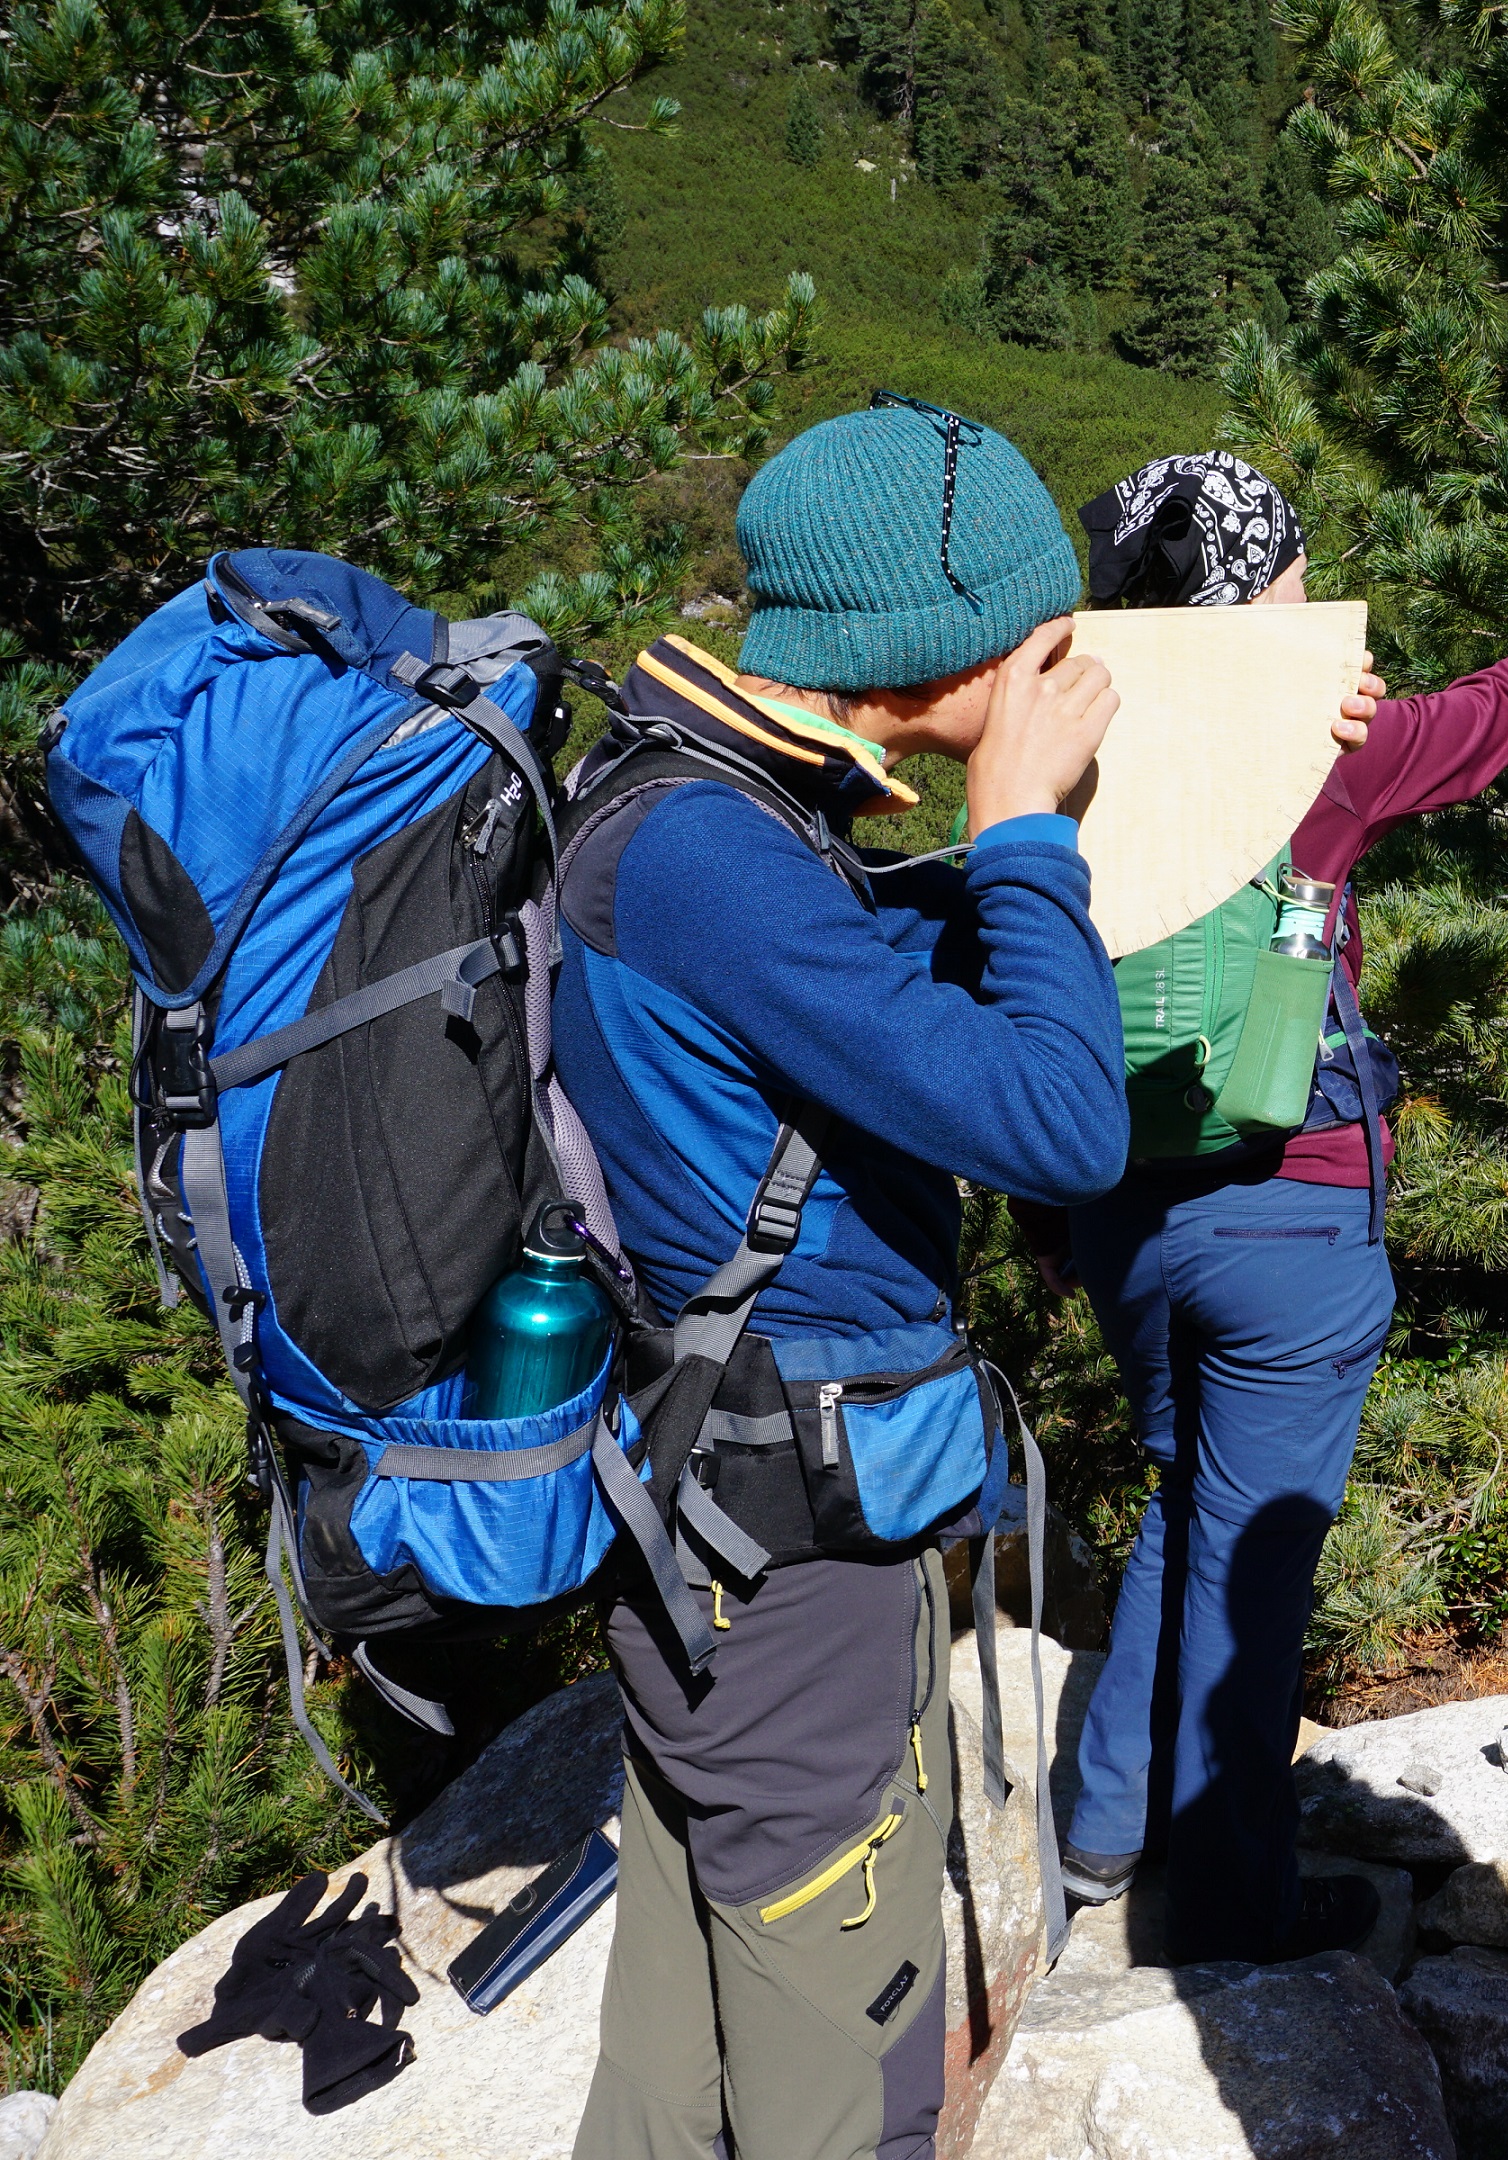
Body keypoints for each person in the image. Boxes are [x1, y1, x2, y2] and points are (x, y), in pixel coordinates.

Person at [1026, 449, 1508, 1963]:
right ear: (1256, 588)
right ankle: (1226, 1916)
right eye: (1293, 570)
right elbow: (1503, 715)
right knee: (1260, 1562)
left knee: (1185, 1494)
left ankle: (1100, 1829)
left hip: (1118, 1206)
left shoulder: (1046, 737)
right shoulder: (1312, 749)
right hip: (1287, 1213)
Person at [561, 399, 1133, 2160]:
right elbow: (1060, 1123)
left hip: (698, 1504)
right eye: (1038, 638)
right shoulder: (717, 858)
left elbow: (836, 963)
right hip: (786, 1548)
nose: (1063, 663)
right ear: (930, 652)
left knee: (685, 1997)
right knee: (845, 2043)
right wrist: (1026, 830)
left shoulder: (686, 793)